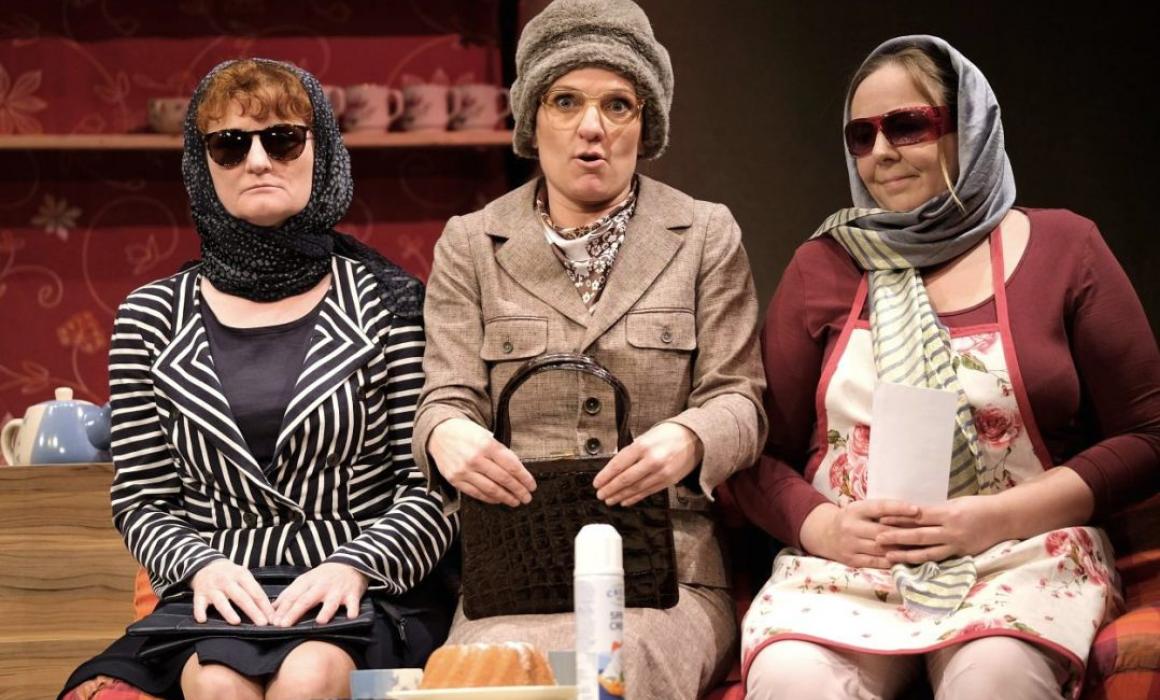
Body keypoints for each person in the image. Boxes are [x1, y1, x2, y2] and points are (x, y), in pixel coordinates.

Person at [733, 35, 1160, 700]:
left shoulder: (1064, 249)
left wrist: (995, 518)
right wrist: (825, 527)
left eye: (907, 125)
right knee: (794, 681)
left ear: (970, 127)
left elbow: (1148, 435)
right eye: (861, 135)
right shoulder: (824, 265)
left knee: (997, 676)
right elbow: (753, 452)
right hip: (850, 569)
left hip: (1019, 556)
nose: (881, 152)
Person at [59, 58, 459, 700]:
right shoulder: (149, 315)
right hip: (217, 590)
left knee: (309, 674)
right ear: (202, 166)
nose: (257, 161)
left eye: (282, 139)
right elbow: (141, 499)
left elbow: (431, 488)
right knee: (218, 681)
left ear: (322, 152)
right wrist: (201, 566)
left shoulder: (389, 301)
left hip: (360, 584)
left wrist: (357, 565)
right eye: (229, 144)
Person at [412, 1, 766, 697]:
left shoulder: (703, 234)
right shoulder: (471, 243)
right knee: (485, 685)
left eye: (618, 105)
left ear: (646, 123)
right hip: (516, 572)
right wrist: (445, 434)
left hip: (665, 573)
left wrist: (689, 439)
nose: (592, 127)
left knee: (613, 675)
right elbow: (444, 399)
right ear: (532, 119)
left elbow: (742, 400)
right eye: (566, 101)